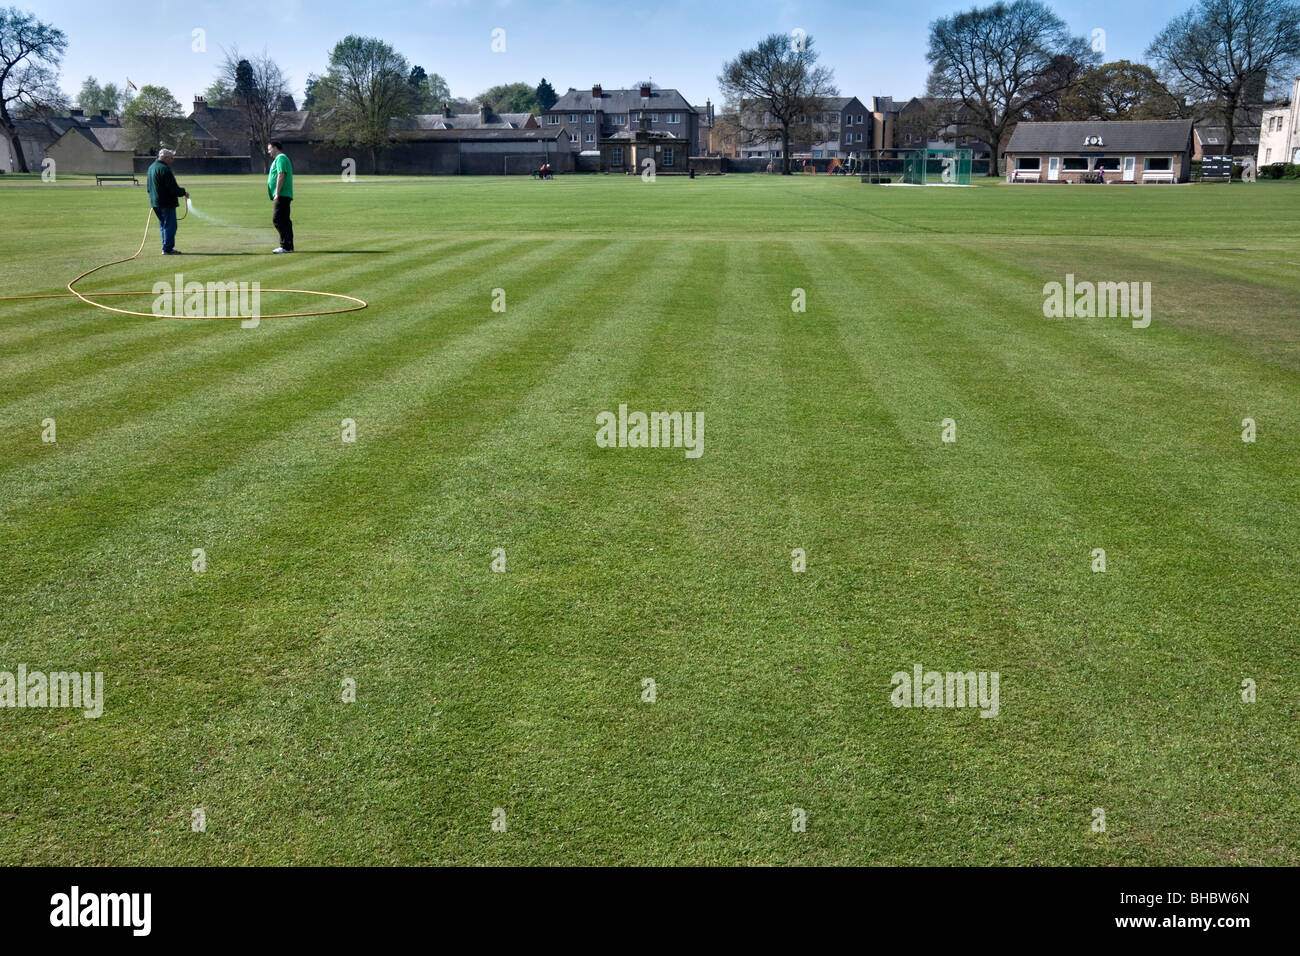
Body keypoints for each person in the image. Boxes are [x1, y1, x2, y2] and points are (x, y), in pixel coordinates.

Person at [145, 148, 188, 255]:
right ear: (165, 158)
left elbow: (148, 188)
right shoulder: (165, 169)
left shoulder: (151, 168)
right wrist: (183, 192)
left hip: (155, 202)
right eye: (171, 158)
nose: (172, 160)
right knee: (170, 226)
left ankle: (165, 247)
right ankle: (167, 249)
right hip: (166, 203)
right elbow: (173, 188)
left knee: (164, 225)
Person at [266, 140, 294, 253]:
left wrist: (277, 192)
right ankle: (289, 246)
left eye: (269, 149)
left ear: (275, 148)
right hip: (283, 194)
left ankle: (285, 246)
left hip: (282, 194)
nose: (268, 152)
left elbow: (281, 174)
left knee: (278, 219)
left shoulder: (281, 158)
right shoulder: (279, 159)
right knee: (285, 220)